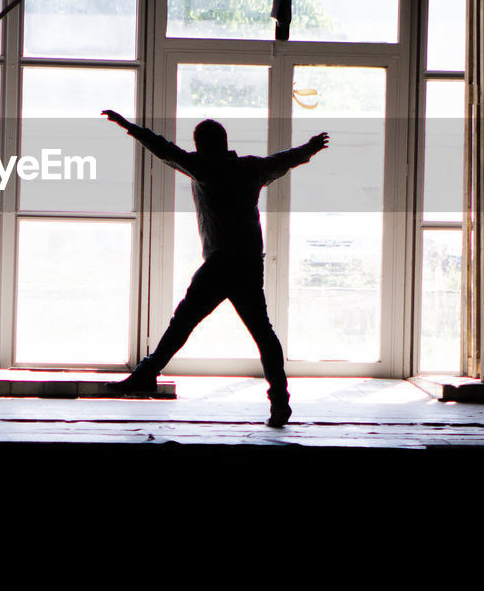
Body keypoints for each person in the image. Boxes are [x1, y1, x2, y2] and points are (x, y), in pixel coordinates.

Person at [101, 109, 329, 427]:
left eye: (197, 146)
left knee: (183, 323)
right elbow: (283, 160)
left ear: (203, 146)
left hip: (221, 263)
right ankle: (280, 402)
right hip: (249, 263)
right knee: (263, 333)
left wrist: (130, 127)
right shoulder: (251, 168)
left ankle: (146, 375)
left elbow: (166, 150)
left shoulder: (204, 168)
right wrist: (310, 148)